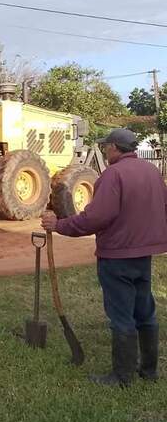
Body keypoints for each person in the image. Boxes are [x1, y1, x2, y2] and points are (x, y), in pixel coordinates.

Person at [41, 128, 167, 387]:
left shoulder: (114, 174)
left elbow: (95, 218)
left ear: (114, 148)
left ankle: (122, 377)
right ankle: (149, 370)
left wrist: (60, 225)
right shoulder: (152, 172)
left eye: (106, 146)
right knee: (145, 311)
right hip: (144, 254)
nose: (105, 151)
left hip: (117, 255)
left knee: (121, 315)